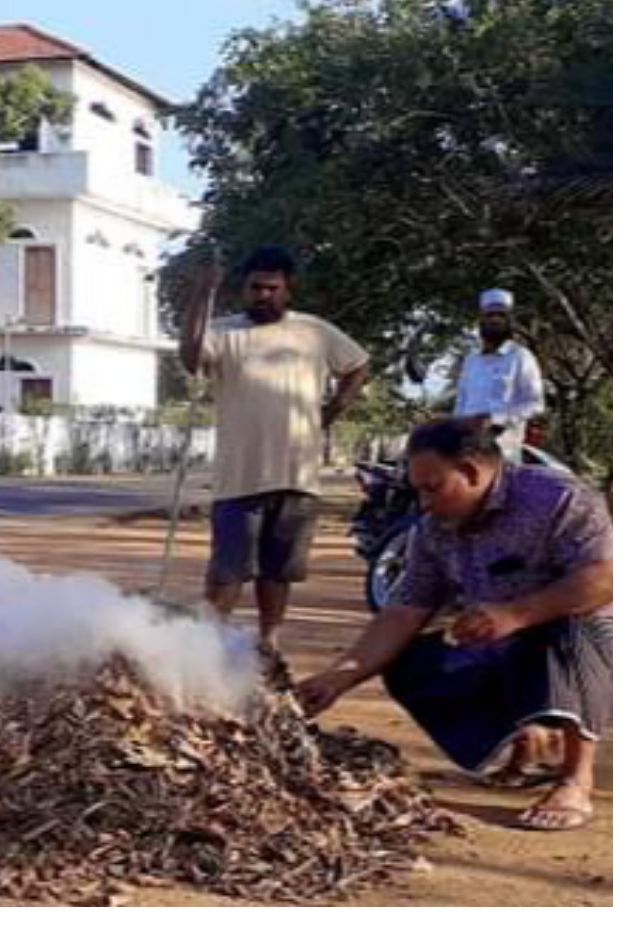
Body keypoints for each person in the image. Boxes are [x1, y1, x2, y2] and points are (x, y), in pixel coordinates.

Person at [299, 417, 610, 833]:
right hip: (500, 641)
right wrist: (339, 677)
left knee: (571, 632)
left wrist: (517, 614)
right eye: (418, 491)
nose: (425, 503)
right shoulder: (433, 531)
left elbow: (606, 579)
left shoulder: (559, 499)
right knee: (413, 662)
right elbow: (404, 610)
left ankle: (575, 777)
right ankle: (527, 738)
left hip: (587, 635)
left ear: (470, 471)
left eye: (433, 488)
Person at [179, 245, 369, 652]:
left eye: (271, 288)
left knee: (277, 572)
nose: (262, 295)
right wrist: (200, 294)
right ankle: (205, 650)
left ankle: (269, 645)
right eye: (255, 288)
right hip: (238, 478)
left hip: (296, 477)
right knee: (226, 574)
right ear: (243, 289)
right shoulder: (223, 332)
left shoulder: (315, 331)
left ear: (288, 290)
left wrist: (333, 408)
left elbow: (357, 365)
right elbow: (191, 358)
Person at [450, 288, 546, 458]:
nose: (495, 319)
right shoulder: (471, 360)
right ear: (481, 320)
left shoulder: (521, 356)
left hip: (504, 451)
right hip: (466, 448)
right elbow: (460, 405)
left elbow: (536, 405)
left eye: (501, 315)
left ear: (509, 321)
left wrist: (497, 420)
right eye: (490, 315)